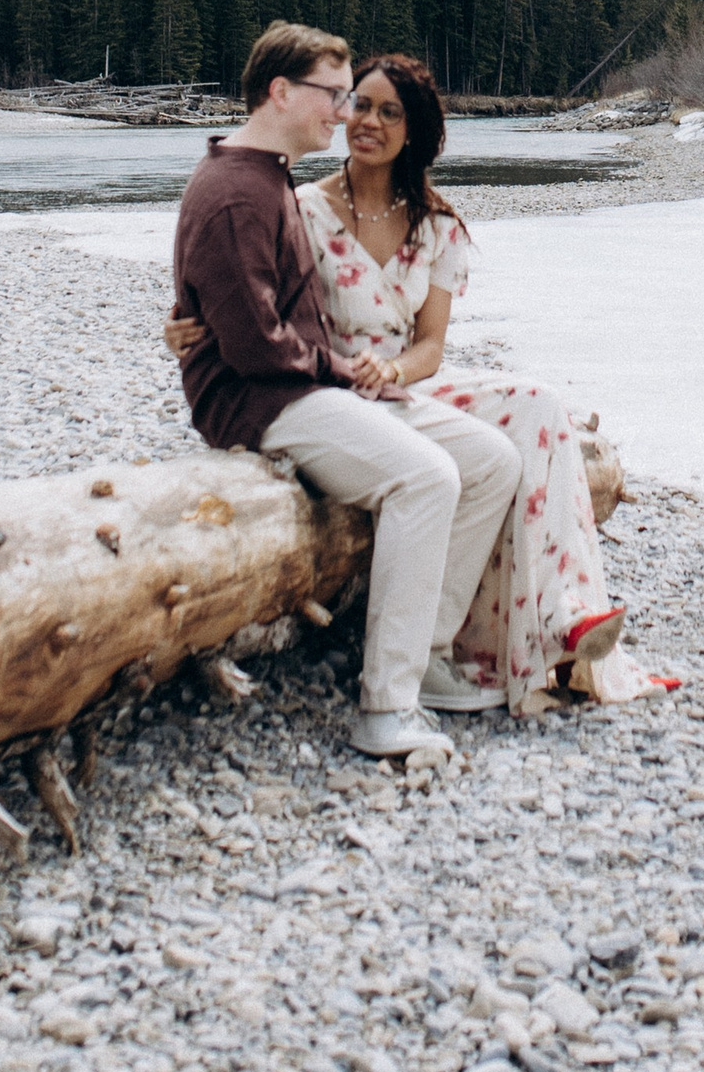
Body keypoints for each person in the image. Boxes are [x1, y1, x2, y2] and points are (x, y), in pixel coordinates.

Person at [171, 48, 663, 716]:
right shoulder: (303, 208)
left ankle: (563, 614)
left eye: (387, 112)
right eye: (358, 105)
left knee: (540, 406)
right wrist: (186, 324)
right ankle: (484, 640)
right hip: (324, 391)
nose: (365, 120)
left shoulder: (436, 225)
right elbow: (249, 293)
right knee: (470, 460)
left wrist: (393, 370)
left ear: (414, 131)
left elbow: (430, 346)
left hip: (399, 383)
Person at [169, 20, 520, 761]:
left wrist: (352, 371)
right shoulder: (238, 189)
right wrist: (339, 369)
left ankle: (421, 654)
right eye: (334, 94)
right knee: (426, 478)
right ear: (280, 91)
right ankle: (384, 706)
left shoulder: (267, 179)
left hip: (304, 383)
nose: (344, 112)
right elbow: (253, 345)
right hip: (262, 399)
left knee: (492, 461)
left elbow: (246, 311)